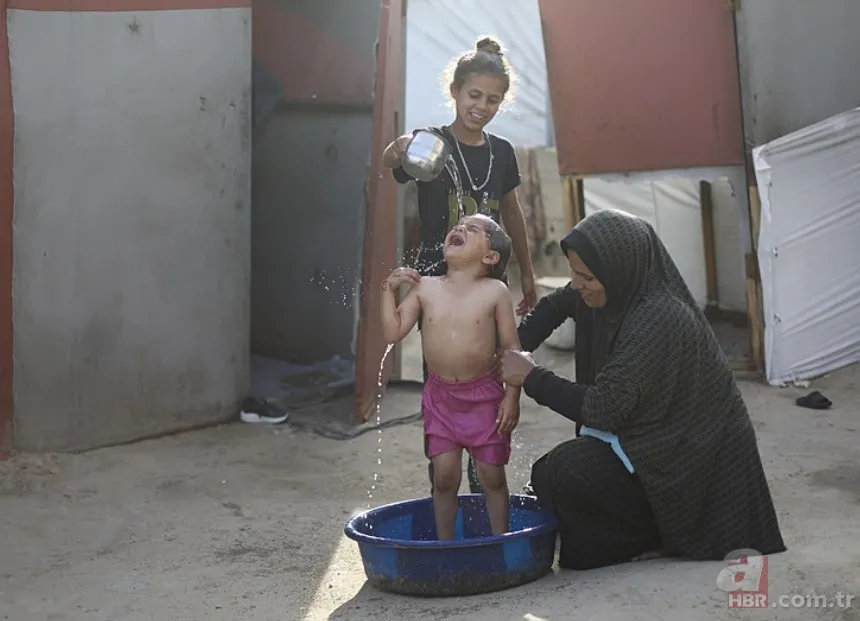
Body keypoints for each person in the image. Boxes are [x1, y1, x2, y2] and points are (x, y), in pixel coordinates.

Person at [499, 208, 787, 570]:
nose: (577, 284)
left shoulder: (657, 318)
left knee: (564, 473)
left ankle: (662, 532)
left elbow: (603, 408)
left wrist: (530, 376)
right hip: (651, 442)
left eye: (587, 277)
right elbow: (554, 306)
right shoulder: (611, 290)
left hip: (687, 461)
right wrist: (509, 349)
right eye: (574, 272)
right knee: (547, 478)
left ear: (619, 271)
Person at [382, 35, 537, 494]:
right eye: (474, 95)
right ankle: (443, 482)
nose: (481, 107)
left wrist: (528, 273)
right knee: (441, 379)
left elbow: (511, 213)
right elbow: (393, 163)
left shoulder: (502, 153)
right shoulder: (430, 144)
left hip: (487, 283)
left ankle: (484, 482)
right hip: (438, 283)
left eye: (493, 100)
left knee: (486, 379)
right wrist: (396, 149)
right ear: (454, 91)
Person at [380, 214, 522, 538]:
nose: (459, 229)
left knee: (491, 477)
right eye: (458, 226)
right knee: (444, 478)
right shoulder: (425, 287)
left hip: (485, 397)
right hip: (440, 398)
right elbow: (393, 332)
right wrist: (388, 290)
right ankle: (445, 548)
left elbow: (512, 349)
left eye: (473, 229)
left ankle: (501, 544)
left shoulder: (495, 292)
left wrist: (512, 397)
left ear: (490, 256)